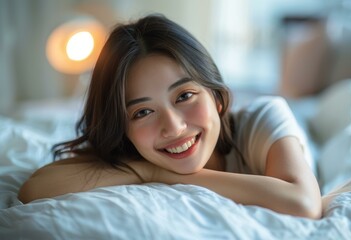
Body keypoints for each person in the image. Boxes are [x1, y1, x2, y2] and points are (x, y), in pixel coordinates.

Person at [18, 14, 322, 219]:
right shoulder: (136, 155)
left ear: (216, 97)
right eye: (143, 112)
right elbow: (35, 188)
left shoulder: (262, 117)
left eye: (185, 96)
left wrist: (160, 173)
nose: (174, 127)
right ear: (122, 127)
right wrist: (150, 171)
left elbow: (304, 204)